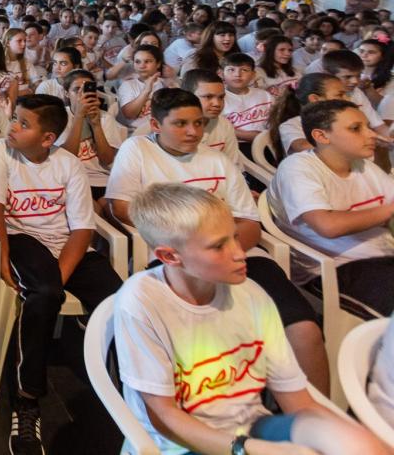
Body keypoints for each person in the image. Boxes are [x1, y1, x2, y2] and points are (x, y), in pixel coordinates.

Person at [115, 183, 385, 455]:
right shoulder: (142, 301)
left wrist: (343, 438)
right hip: (183, 444)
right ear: (169, 256)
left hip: (252, 426)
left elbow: (296, 399)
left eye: (235, 236)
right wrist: (249, 450)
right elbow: (165, 418)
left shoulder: (252, 295)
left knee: (354, 443)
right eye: (219, 246)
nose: (239, 252)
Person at [105, 88, 329, 393]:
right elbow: (121, 207)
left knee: (304, 329)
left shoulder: (216, 160)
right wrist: (192, 247)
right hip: (174, 259)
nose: (193, 131)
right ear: (156, 125)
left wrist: (225, 251)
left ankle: (313, 422)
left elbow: (248, 222)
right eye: (181, 124)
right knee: (201, 339)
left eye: (198, 123)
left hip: (238, 255)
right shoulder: (138, 150)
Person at [0, 94, 122, 455]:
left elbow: (83, 228)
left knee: (122, 298)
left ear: (47, 138)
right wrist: (3, 257)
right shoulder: (0, 152)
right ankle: (27, 399)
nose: (13, 128)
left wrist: (60, 275)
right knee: (42, 293)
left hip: (66, 245)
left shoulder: (68, 165)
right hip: (22, 237)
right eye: (15, 119)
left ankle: (130, 390)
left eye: (24, 124)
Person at [268, 99, 394, 314]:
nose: (371, 134)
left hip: (384, 257)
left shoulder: (362, 165)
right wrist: (389, 211)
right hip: (336, 268)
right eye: (356, 129)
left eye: (368, 127)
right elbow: (328, 225)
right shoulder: (298, 168)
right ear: (322, 136)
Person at [57, 70, 125, 212]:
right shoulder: (61, 117)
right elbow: (67, 158)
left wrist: (96, 125)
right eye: (77, 90)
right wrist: (79, 117)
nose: (82, 95)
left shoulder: (105, 118)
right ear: (66, 93)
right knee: (94, 211)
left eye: (88, 90)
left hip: (102, 180)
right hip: (73, 181)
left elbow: (107, 160)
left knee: (115, 211)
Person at [267, 73, 349, 163]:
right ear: (315, 99)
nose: (347, 99)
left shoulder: (340, 119)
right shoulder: (291, 124)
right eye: (340, 95)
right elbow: (302, 146)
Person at [181, 69, 240, 163]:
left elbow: (233, 165)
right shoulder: (172, 128)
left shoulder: (224, 124)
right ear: (187, 97)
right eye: (208, 97)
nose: (217, 103)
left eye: (221, 97)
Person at [222, 53, 273, 145]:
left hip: (268, 142)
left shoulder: (264, 95)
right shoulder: (219, 98)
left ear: (253, 75)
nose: (237, 74)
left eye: (244, 70)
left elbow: (275, 121)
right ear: (222, 74)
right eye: (231, 70)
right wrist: (251, 136)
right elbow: (219, 128)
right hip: (237, 145)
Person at [117, 43, 167, 132]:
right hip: (135, 133)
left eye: (147, 61)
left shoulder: (165, 84)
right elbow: (129, 114)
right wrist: (146, 91)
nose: (142, 66)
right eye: (137, 61)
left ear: (158, 64)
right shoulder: (128, 85)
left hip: (162, 131)